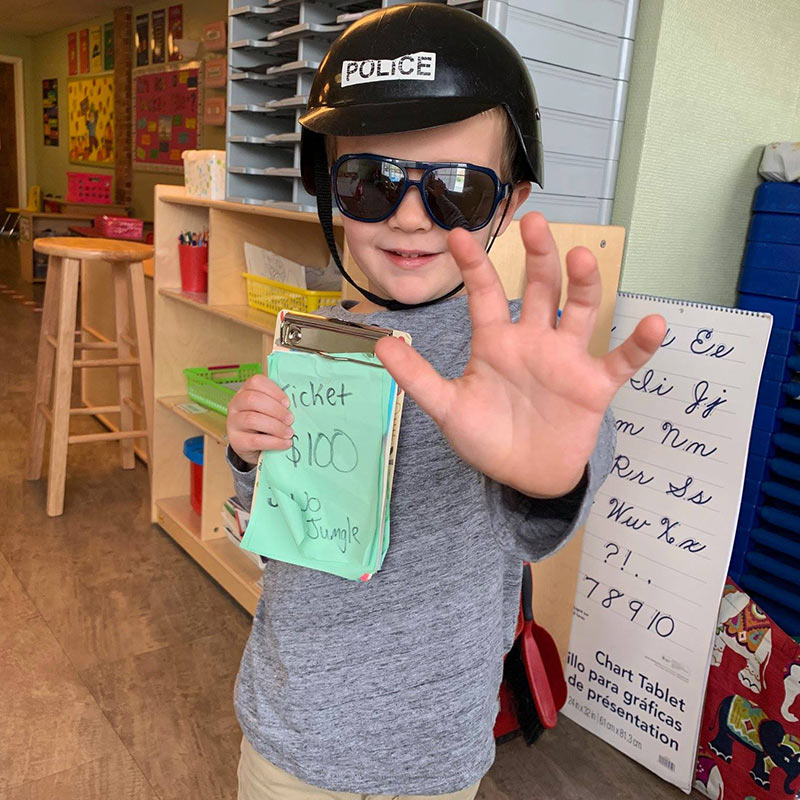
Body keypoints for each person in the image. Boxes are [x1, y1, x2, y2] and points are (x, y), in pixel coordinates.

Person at [225, 5, 666, 799]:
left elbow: (555, 485)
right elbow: (277, 530)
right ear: (327, 183)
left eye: (457, 190)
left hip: (432, 754)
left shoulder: (519, 358)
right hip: (289, 729)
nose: (409, 215)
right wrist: (249, 453)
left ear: (509, 200)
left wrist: (550, 474)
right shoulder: (319, 342)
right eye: (369, 181)